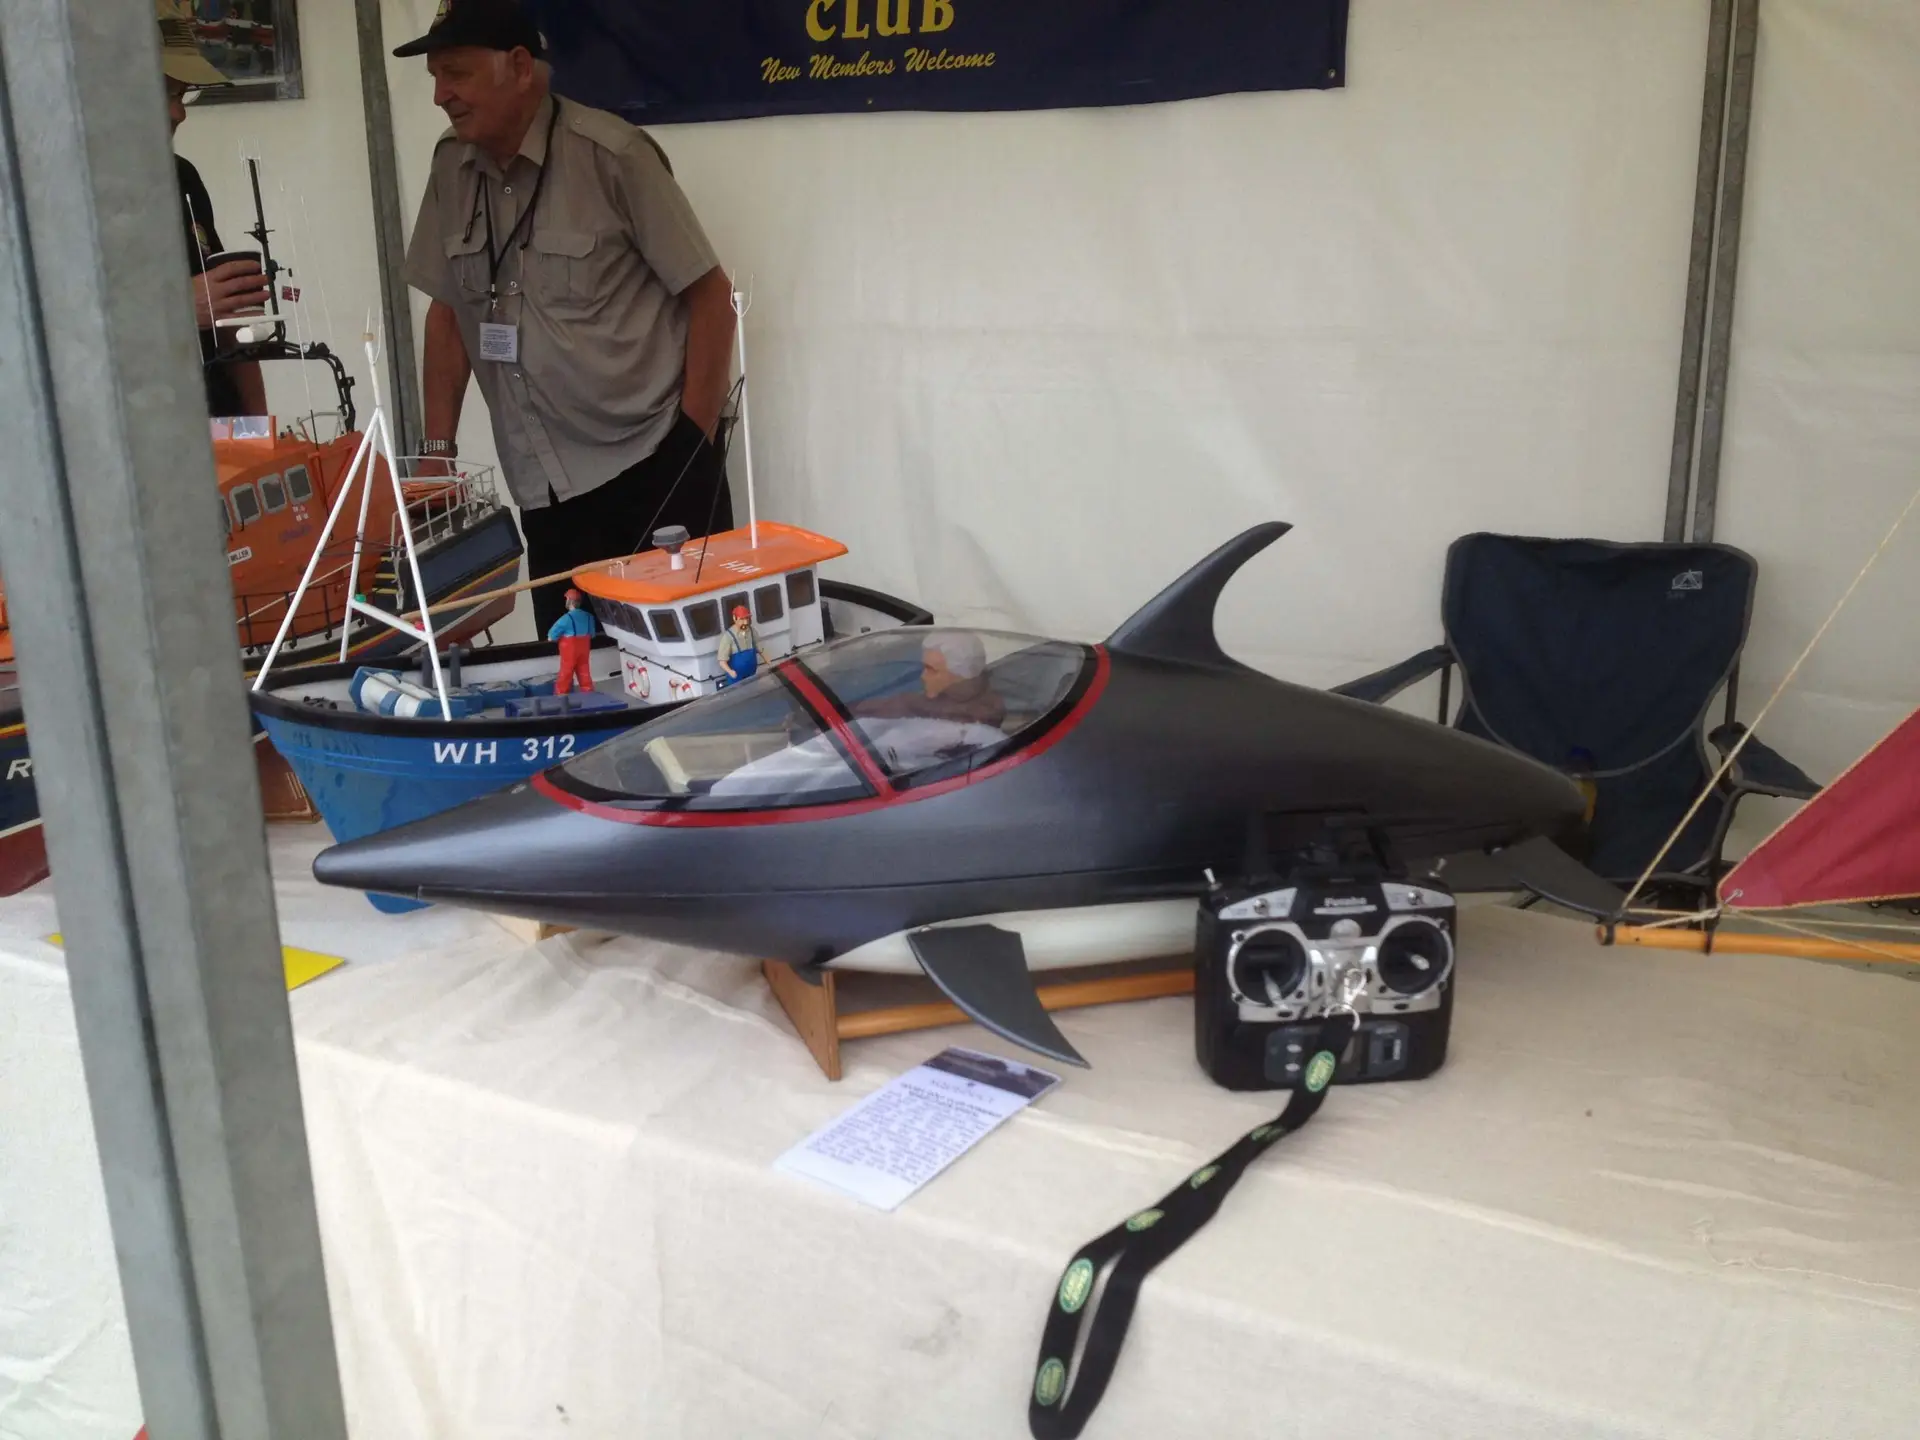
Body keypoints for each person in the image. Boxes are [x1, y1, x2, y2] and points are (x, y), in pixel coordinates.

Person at [394, 0, 738, 639]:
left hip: (652, 466)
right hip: (543, 486)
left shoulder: (613, 155)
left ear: (520, 66)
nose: (441, 95)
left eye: (457, 73)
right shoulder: (450, 166)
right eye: (435, 77)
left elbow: (712, 296)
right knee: (573, 672)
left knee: (692, 666)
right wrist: (436, 454)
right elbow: (448, 310)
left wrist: (693, 445)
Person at [158, 0, 269, 417]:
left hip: (216, 425)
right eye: (164, 92)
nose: (179, 113)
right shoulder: (53, 202)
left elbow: (227, 320)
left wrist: (258, 429)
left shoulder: (181, 176)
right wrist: (174, 310)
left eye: (182, 92)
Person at [856, 633, 1009, 730]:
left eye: (931, 670)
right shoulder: (976, 698)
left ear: (958, 675)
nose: (923, 676)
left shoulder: (968, 720)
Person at [547, 587, 596, 694]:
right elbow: (592, 634)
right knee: (584, 672)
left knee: (566, 673)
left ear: (570, 601)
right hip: (584, 649)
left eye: (566, 599)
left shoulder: (566, 619)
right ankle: (589, 694)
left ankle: (561, 696)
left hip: (570, 651)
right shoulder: (589, 617)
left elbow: (551, 637)